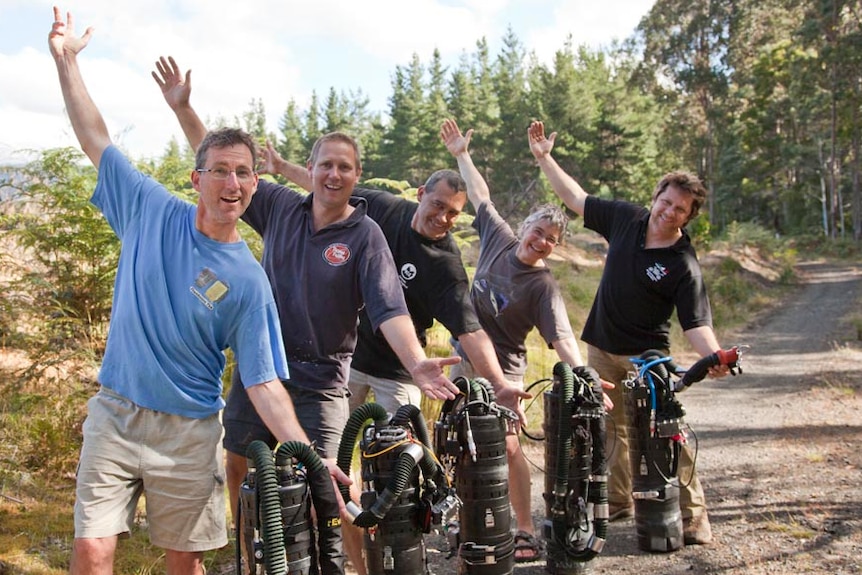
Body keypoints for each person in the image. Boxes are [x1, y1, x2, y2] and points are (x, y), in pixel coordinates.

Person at [47, 10, 336, 575]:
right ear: (195, 178)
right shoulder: (149, 209)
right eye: (221, 170)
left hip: (189, 432)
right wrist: (66, 62)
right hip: (116, 412)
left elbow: (263, 381)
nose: (232, 184)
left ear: (256, 184)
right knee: (91, 548)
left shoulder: (250, 280)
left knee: (185, 560)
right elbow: (95, 138)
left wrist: (307, 453)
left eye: (244, 173)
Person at [152, 56, 459, 575]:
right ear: (310, 170)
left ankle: (348, 568)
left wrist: (416, 361)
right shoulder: (278, 206)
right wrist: (184, 109)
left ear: (356, 176)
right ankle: (253, 557)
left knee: (332, 490)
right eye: (325, 164)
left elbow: (389, 307)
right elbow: (220, 167)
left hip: (320, 384)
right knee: (239, 465)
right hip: (260, 370)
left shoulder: (366, 237)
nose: (334, 173)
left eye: (345, 166)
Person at [265, 129, 542, 560]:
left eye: (454, 214)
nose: (443, 219)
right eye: (437, 206)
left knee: (399, 465)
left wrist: (499, 383)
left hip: (403, 372)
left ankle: (402, 549)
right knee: (338, 462)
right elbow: (329, 186)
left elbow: (471, 330)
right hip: (352, 359)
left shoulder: (445, 266)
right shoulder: (382, 208)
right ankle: (344, 551)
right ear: (420, 195)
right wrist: (282, 168)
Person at [527, 119, 730, 545]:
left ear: (689, 216)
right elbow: (575, 198)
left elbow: (696, 322)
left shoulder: (682, 262)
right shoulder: (626, 219)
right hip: (600, 348)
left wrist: (714, 357)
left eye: (680, 209)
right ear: (655, 197)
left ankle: (694, 518)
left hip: (646, 359)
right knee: (608, 429)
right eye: (666, 201)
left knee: (665, 433)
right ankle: (618, 501)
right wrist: (546, 158)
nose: (669, 212)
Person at [440, 118, 590, 561]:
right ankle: (468, 518)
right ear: (524, 227)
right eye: (538, 232)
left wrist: (582, 376)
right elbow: (481, 195)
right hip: (463, 358)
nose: (540, 242)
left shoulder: (542, 287)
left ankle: (523, 528)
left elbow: (561, 337)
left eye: (551, 239)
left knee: (507, 445)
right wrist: (462, 156)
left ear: (555, 247)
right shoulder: (499, 240)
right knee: (457, 440)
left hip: (504, 371)